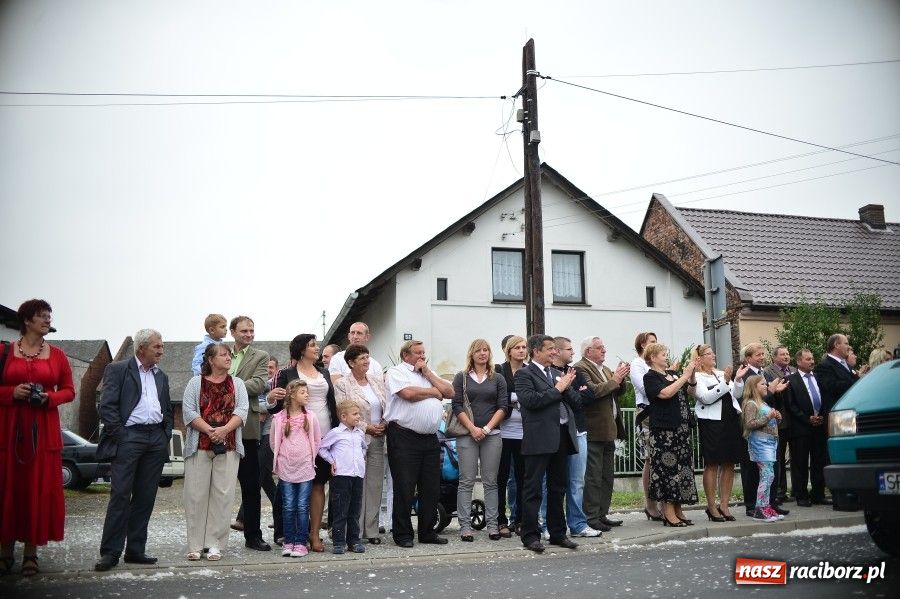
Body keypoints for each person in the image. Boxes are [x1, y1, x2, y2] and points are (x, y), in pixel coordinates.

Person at [0, 299, 75, 577]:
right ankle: (5, 551)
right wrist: (10, 393)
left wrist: (48, 398)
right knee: (8, 486)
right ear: (27, 320)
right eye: (42, 316)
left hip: (43, 430)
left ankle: (31, 553)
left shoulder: (57, 355)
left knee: (36, 490)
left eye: (49, 316)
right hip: (8, 430)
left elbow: (69, 391)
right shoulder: (4, 352)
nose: (47, 320)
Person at [94, 328, 173, 572]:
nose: (161, 350)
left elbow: (167, 409)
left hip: (155, 440)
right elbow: (107, 407)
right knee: (120, 495)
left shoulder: (162, 376)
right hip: (129, 437)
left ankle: (135, 550)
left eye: (161, 346)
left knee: (145, 497)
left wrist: (165, 433)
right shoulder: (117, 369)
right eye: (157, 347)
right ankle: (110, 552)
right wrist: (122, 435)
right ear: (141, 348)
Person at [266, 334, 337, 552]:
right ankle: (292, 535)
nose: (317, 349)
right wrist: (271, 399)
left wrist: (336, 432)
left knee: (318, 485)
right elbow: (278, 408)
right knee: (291, 489)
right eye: (312, 345)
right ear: (301, 349)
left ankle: (314, 535)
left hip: (324, 436)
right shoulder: (285, 374)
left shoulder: (324, 372)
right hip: (296, 441)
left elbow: (330, 402)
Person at [181, 343, 249, 561]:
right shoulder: (195, 382)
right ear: (210, 359)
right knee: (195, 495)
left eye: (229, 354)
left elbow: (242, 411)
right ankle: (195, 545)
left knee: (223, 495)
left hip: (228, 447)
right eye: (223, 354)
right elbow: (189, 411)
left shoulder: (237, 383)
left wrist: (224, 430)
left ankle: (215, 545)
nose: (228, 358)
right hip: (199, 445)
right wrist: (210, 431)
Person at [385, 340, 455, 548]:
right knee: (405, 487)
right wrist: (434, 392)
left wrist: (428, 374)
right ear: (406, 355)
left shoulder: (428, 373)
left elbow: (450, 392)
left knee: (431, 487)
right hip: (404, 436)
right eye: (417, 353)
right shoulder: (397, 372)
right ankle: (403, 534)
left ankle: (427, 532)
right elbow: (408, 395)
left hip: (430, 439)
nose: (421, 356)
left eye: (423, 352)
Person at [515, 334, 581, 554]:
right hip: (539, 438)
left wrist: (568, 386)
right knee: (533, 489)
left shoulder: (556, 373)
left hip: (561, 437)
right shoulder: (524, 374)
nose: (555, 352)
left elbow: (576, 403)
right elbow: (531, 401)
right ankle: (530, 535)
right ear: (536, 351)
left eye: (555, 349)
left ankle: (558, 533)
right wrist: (558, 389)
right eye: (550, 349)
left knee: (558, 488)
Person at [452, 339, 509, 541]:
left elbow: (503, 406)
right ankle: (465, 527)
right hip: (467, 435)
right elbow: (457, 405)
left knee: (491, 482)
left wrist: (486, 428)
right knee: (466, 481)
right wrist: (473, 428)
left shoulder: (498, 378)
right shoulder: (462, 377)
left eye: (485, 350)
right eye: (478, 350)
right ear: (471, 354)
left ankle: (493, 526)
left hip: (491, 435)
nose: (482, 353)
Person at [226, 316, 272, 551]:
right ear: (232, 331)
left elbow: (259, 384)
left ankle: (253, 536)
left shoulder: (260, 356)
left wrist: (223, 384)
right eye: (244, 330)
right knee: (218, 486)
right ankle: (211, 538)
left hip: (248, 428)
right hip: (217, 426)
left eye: (252, 330)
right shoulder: (219, 351)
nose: (249, 334)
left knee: (251, 485)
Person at [333, 344, 387, 545]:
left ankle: (371, 531)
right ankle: (352, 530)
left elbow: (386, 406)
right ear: (351, 363)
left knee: (374, 484)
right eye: (362, 358)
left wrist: (384, 424)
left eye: (368, 357)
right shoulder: (342, 384)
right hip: (355, 439)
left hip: (378, 438)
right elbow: (343, 412)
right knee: (355, 486)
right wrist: (367, 427)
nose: (366, 361)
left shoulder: (376, 380)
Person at [574, 336, 627, 534]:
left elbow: (617, 391)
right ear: (588, 351)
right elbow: (593, 392)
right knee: (593, 477)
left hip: (609, 429)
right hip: (594, 430)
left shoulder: (604, 369)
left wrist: (621, 378)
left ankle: (602, 513)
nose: (604, 351)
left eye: (604, 347)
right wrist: (615, 380)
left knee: (607, 476)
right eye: (600, 348)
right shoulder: (581, 368)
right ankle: (591, 516)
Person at [643, 342, 699, 527]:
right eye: (663, 354)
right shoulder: (650, 377)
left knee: (683, 469)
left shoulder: (674, 375)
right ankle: (667, 511)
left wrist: (691, 376)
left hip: (681, 429)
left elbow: (690, 391)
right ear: (652, 357)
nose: (666, 356)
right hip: (664, 432)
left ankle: (678, 508)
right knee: (667, 470)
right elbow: (666, 393)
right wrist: (683, 376)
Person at [691, 344, 747, 522]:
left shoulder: (721, 373)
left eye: (713, 352)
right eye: (709, 353)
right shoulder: (697, 376)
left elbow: (735, 394)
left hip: (730, 419)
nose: (713, 355)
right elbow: (705, 398)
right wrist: (725, 382)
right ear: (700, 358)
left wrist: (736, 380)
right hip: (711, 422)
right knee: (713, 463)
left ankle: (724, 505)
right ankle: (711, 506)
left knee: (729, 463)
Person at [270, 379, 321, 558]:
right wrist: (282, 459)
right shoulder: (279, 418)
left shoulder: (311, 417)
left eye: (307, 392)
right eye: (302, 392)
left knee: (302, 506)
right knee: (288, 506)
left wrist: (309, 458)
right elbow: (273, 442)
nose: (307, 395)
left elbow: (316, 440)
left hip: (305, 468)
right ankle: (289, 541)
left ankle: (301, 542)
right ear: (291, 394)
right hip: (286, 469)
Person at [737, 343, 789, 518]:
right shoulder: (745, 374)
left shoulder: (764, 373)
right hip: (754, 434)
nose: (762, 357)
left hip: (769, 432)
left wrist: (773, 393)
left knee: (770, 470)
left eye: (762, 354)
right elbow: (747, 399)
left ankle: (769, 503)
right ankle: (752, 504)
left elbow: (765, 400)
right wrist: (771, 391)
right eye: (758, 354)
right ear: (748, 358)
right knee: (752, 470)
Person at [319, 400, 368, 554]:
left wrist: (360, 461)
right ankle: (339, 541)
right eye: (355, 414)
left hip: (357, 475)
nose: (358, 417)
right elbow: (321, 448)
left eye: (358, 413)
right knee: (340, 510)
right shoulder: (336, 433)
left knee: (355, 510)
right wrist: (332, 461)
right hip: (341, 476)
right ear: (343, 417)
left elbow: (363, 449)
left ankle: (353, 540)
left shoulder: (360, 433)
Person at [786, 349, 830, 507]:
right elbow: (790, 405)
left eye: (812, 358)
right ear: (798, 362)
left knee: (819, 461)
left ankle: (818, 494)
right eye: (808, 359)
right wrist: (806, 418)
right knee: (800, 463)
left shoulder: (818, 377)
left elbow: (824, 398)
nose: (812, 361)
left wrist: (822, 416)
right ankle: (801, 495)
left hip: (819, 426)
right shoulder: (791, 379)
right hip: (800, 429)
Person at [495, 335, 527, 537]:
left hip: (524, 432)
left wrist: (513, 398)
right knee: (501, 477)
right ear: (509, 350)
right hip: (503, 431)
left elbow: (530, 396)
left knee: (523, 478)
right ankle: (500, 520)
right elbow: (499, 396)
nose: (521, 351)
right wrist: (514, 400)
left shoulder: (529, 370)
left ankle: (521, 519)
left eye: (524, 347)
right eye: (517, 347)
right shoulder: (499, 370)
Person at [742, 375, 784, 522]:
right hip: (760, 442)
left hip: (770, 442)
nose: (766, 386)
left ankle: (765, 506)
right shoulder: (751, 404)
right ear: (754, 387)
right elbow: (749, 424)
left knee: (769, 475)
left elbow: (768, 421)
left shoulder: (763, 403)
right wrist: (768, 417)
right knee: (766, 475)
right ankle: (760, 508)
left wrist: (776, 417)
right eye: (762, 384)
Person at [629, 331, 661, 520]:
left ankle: (662, 501)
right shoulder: (637, 364)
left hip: (661, 412)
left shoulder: (655, 364)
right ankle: (650, 504)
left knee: (661, 458)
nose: (656, 344)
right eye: (652, 342)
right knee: (650, 458)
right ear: (642, 345)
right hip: (646, 412)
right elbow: (646, 388)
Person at [763, 346, 795, 504]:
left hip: (796, 420)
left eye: (788, 354)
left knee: (797, 457)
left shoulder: (794, 370)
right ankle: (780, 491)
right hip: (779, 419)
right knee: (779, 457)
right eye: (782, 354)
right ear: (774, 357)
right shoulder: (768, 372)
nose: (786, 356)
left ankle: (797, 489)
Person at [257, 357, 280, 543]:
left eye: (271, 368)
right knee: (262, 477)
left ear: (277, 369)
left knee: (261, 474)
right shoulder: (261, 385)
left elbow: (271, 408)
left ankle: (278, 510)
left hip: (270, 435)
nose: (268, 371)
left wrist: (262, 408)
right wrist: (261, 408)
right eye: (266, 368)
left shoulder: (276, 386)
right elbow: (258, 406)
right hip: (257, 434)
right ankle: (278, 508)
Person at [815, 334, 861, 412]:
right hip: (838, 413)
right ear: (836, 345)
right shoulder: (824, 366)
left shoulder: (847, 365)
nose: (849, 347)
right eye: (846, 344)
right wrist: (856, 381)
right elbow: (833, 387)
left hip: (853, 409)